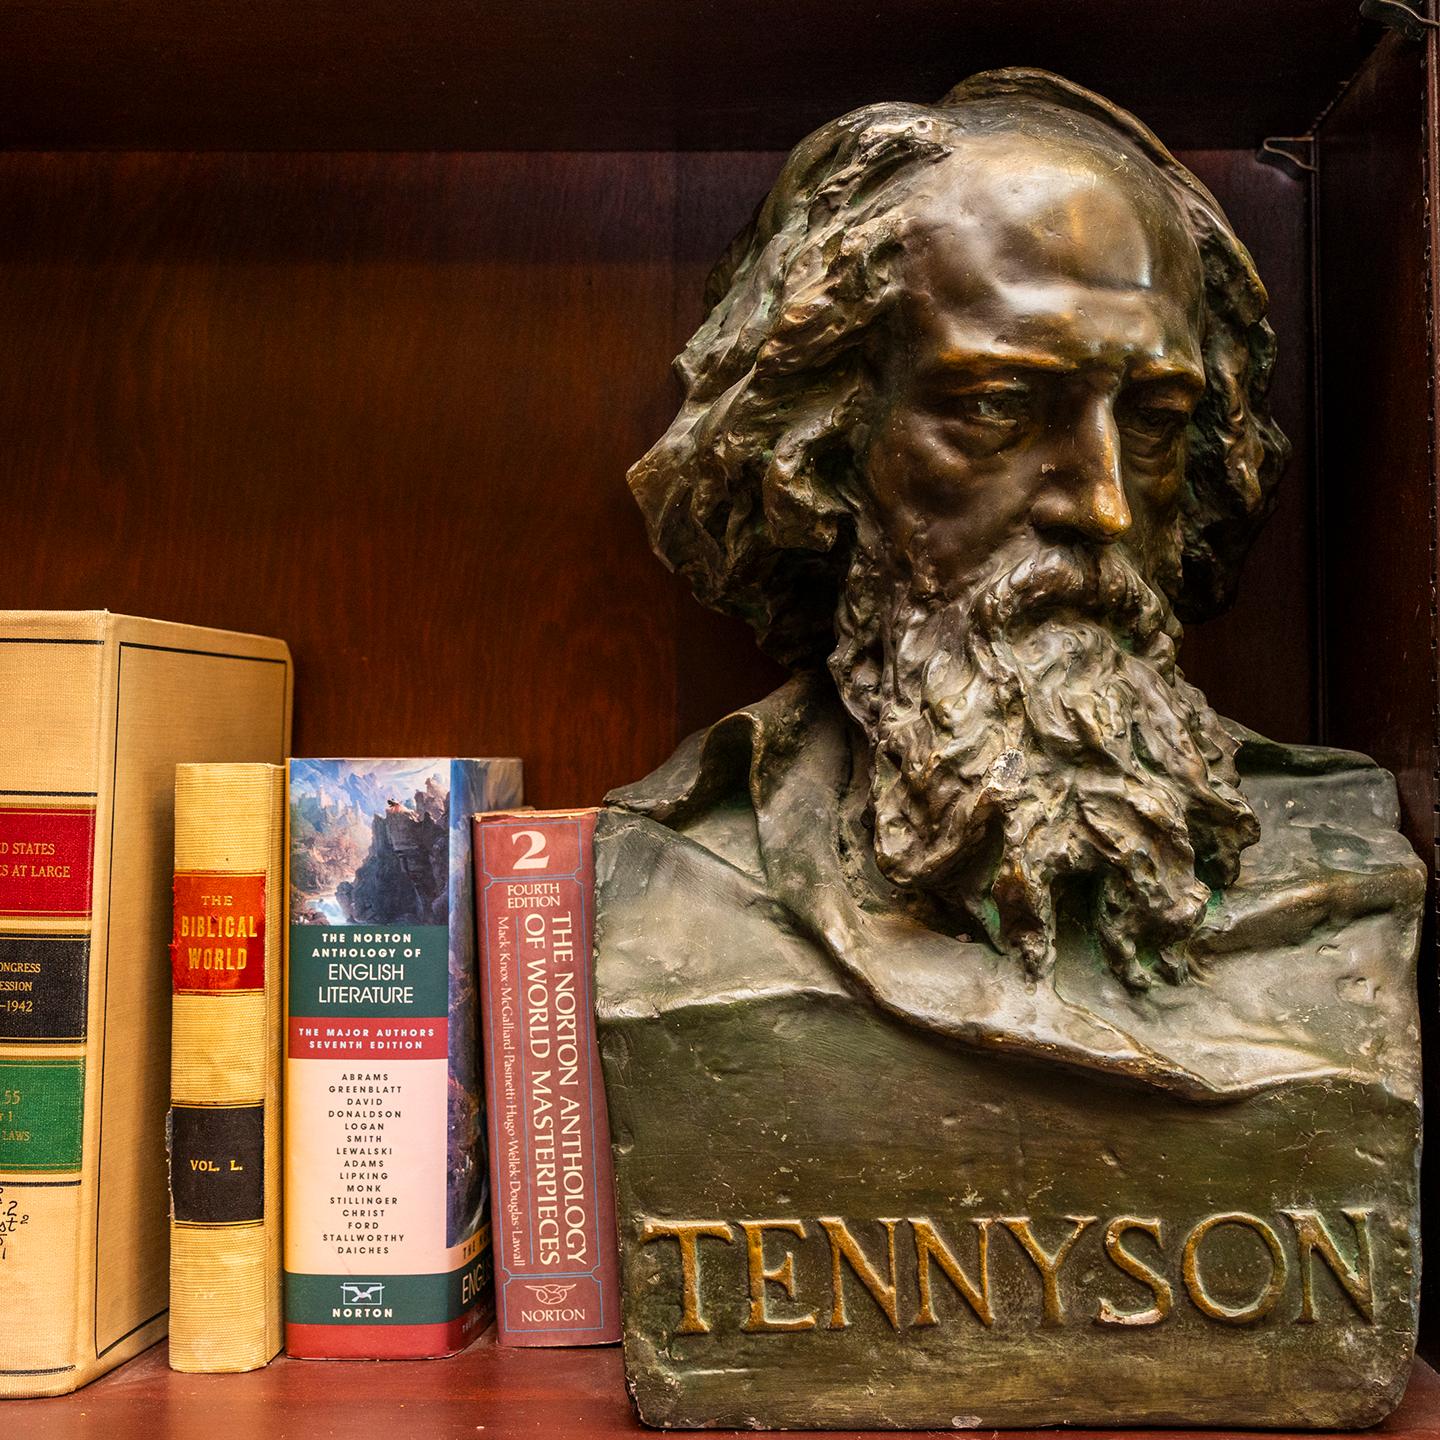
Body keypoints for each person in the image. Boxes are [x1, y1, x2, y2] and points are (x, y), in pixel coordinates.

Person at [599, 70, 1422, 1097]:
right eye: (997, 406)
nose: (1103, 506)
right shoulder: (663, 894)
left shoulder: (1352, 884)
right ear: (822, 444)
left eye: (1155, 421)